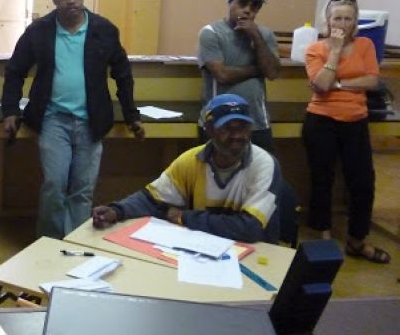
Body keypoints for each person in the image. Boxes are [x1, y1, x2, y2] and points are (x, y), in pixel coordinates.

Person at [1, 0, 144, 240]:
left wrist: (131, 115)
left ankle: (76, 243)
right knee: (55, 185)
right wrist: (10, 110)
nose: (71, 1)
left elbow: (122, 74)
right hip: (53, 119)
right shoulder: (40, 30)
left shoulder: (103, 30)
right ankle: (50, 243)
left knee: (83, 188)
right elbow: (15, 70)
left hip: (91, 121)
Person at [92, 93, 280, 243]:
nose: (237, 136)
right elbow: (152, 199)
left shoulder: (263, 164)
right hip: (205, 249)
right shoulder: (191, 160)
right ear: (209, 129)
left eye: (244, 128)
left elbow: (249, 228)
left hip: (255, 252)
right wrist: (116, 211)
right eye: (228, 128)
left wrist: (184, 217)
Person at [302, 0, 390, 263]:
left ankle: (356, 240)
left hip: (355, 121)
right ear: (328, 21)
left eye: (348, 18)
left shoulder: (365, 45)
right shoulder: (315, 49)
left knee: (363, 182)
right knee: (322, 180)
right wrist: (337, 51)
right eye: (337, 17)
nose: (342, 22)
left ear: (355, 21)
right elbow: (321, 85)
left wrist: (338, 83)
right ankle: (324, 237)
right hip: (321, 120)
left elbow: (373, 81)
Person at [198, 0, 280, 153]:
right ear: (230, 2)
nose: (248, 9)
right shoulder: (211, 33)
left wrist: (255, 36)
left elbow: (272, 73)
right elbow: (222, 75)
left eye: (255, 5)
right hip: (219, 121)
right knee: (217, 175)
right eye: (242, 2)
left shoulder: (264, 35)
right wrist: (258, 70)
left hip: (256, 122)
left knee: (263, 175)